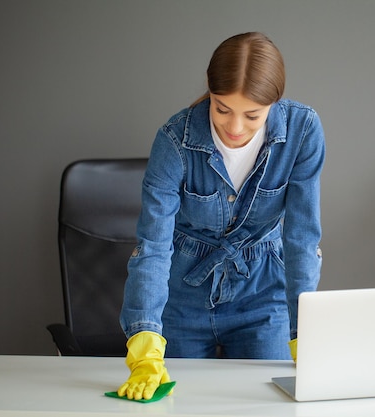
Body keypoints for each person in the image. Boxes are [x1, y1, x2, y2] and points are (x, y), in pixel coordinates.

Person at [117, 32, 325, 400]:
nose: (235, 128)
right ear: (210, 94)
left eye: (253, 115)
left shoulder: (303, 131)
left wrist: (304, 328)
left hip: (263, 294)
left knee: (274, 405)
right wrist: (145, 334)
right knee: (176, 404)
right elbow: (153, 246)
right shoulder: (174, 140)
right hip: (183, 299)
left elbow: (302, 238)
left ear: (274, 104)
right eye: (222, 109)